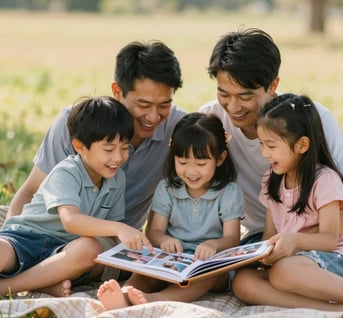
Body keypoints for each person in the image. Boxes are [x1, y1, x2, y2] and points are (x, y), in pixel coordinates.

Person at [4, 40, 186, 284]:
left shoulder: (179, 129)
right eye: (143, 104)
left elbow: (210, 142)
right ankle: (28, 281)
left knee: (94, 254)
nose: (153, 117)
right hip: (38, 230)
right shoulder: (78, 124)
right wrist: (9, 235)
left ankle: (33, 283)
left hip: (90, 246)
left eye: (164, 105)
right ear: (117, 91)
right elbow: (32, 190)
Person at [198, 27, 343, 254]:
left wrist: (297, 241)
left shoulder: (310, 118)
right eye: (224, 94)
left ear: (273, 85)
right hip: (260, 237)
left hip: (325, 234)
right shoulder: (210, 121)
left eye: (245, 96)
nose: (233, 107)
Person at [231, 93, 343, 318]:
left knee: (283, 272)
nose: (264, 153)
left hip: (337, 261)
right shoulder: (272, 179)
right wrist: (263, 256)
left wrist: (294, 241)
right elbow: (269, 235)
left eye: (271, 145)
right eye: (261, 144)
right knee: (243, 282)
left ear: (301, 145)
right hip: (294, 265)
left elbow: (329, 239)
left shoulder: (324, 180)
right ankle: (340, 310)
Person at [0, 96, 153, 297]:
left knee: (91, 250)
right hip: (28, 238)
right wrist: (119, 228)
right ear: (80, 146)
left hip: (64, 252)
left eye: (124, 148)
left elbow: (108, 232)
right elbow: (70, 221)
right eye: (108, 149)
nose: (118, 157)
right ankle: (25, 285)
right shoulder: (67, 172)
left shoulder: (117, 179)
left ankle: (24, 284)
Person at [97, 112, 244, 311]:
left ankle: (154, 300)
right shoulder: (166, 188)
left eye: (201, 164)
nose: (191, 171)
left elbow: (232, 238)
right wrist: (164, 240)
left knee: (204, 277)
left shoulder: (229, 191)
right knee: (143, 274)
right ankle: (124, 295)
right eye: (182, 162)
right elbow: (154, 232)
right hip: (171, 262)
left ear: (220, 158)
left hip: (209, 267)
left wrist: (213, 244)